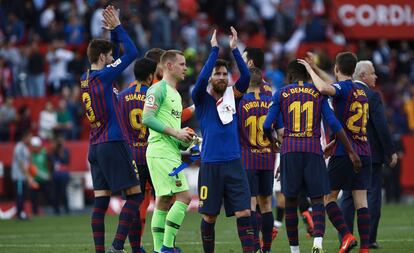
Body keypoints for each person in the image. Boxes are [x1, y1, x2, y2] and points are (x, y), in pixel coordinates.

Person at [263, 60, 361, 253]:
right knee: (317, 199)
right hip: (313, 150)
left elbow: (267, 125)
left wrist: (275, 142)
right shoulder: (318, 93)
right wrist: (351, 151)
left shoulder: (281, 93)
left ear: (290, 76)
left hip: (290, 150)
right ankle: (317, 244)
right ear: (307, 76)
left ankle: (295, 250)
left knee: (290, 201)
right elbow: (334, 123)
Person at [80, 6, 142, 253]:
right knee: (135, 197)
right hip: (112, 142)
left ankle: (100, 251)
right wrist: (117, 26)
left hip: (94, 146)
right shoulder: (105, 77)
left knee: (101, 201)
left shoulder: (86, 78)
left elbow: (116, 53)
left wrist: (112, 36)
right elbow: (133, 52)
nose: (112, 56)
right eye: (109, 55)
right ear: (104, 57)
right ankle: (118, 245)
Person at [301, 52, 372, 253]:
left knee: (328, 198)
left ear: (337, 68)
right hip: (364, 149)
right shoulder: (360, 91)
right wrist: (315, 69)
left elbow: (324, 87)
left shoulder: (342, 89)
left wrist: (308, 70)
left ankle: (347, 235)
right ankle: (365, 248)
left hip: (345, 152)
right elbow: (334, 84)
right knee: (361, 201)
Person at [192, 28, 253, 253]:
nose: (221, 77)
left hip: (234, 164)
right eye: (217, 74)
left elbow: (246, 77)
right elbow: (199, 81)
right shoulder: (201, 98)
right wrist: (215, 51)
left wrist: (235, 50)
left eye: (224, 74)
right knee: (209, 216)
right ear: (210, 77)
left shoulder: (232, 96)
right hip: (210, 165)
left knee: (244, 212)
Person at [340, 60, 398, 249]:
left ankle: (346, 236)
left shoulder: (346, 92)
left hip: (348, 152)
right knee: (371, 195)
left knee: (348, 197)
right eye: (373, 73)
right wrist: (390, 151)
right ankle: (369, 238)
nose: (376, 76)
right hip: (369, 154)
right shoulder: (372, 96)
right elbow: (381, 126)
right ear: (363, 75)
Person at [142, 50, 194, 253]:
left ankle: (158, 250)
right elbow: (147, 118)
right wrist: (176, 132)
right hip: (160, 151)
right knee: (185, 197)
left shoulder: (175, 93)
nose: (185, 68)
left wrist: (184, 139)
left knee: (163, 201)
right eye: (181, 64)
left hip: (168, 151)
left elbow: (171, 125)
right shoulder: (158, 89)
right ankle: (166, 247)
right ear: (169, 66)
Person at [237, 67, 280, 253]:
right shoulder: (271, 102)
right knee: (267, 205)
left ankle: (254, 246)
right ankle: (267, 248)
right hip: (267, 159)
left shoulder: (240, 102)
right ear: (261, 82)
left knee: (252, 205)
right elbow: (280, 133)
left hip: (248, 159)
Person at [118, 57, 158, 253]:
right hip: (151, 154)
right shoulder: (153, 96)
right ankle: (164, 244)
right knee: (167, 199)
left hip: (130, 156)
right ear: (151, 76)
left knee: (134, 203)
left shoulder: (122, 96)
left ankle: (135, 248)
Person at [29, 136, 58, 215]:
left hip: (45, 179)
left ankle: (57, 211)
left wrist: (49, 174)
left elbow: (50, 165)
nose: (34, 148)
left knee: (51, 196)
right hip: (35, 180)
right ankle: (35, 213)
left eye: (35, 146)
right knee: (33, 197)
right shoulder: (31, 155)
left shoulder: (45, 153)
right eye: (33, 146)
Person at [11, 130, 32, 220]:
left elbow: (28, 162)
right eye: (29, 137)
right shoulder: (19, 147)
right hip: (19, 176)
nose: (30, 139)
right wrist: (28, 177)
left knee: (22, 195)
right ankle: (20, 214)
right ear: (25, 137)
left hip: (23, 176)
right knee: (19, 195)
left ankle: (22, 213)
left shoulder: (25, 148)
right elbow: (21, 163)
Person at [49, 133, 71, 214]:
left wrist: (61, 151)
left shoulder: (66, 151)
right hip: (56, 175)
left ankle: (66, 209)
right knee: (55, 193)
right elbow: (51, 161)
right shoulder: (53, 151)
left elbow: (66, 161)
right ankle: (56, 210)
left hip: (63, 175)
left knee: (63, 192)